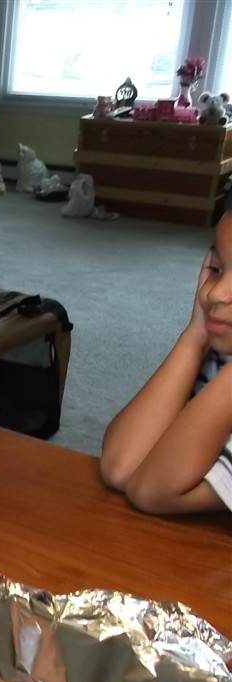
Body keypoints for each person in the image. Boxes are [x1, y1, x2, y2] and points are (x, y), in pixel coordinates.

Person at [100, 211, 232, 515]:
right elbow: (120, 466)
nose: (215, 292)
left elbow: (150, 490)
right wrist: (194, 337)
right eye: (216, 269)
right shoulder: (219, 359)